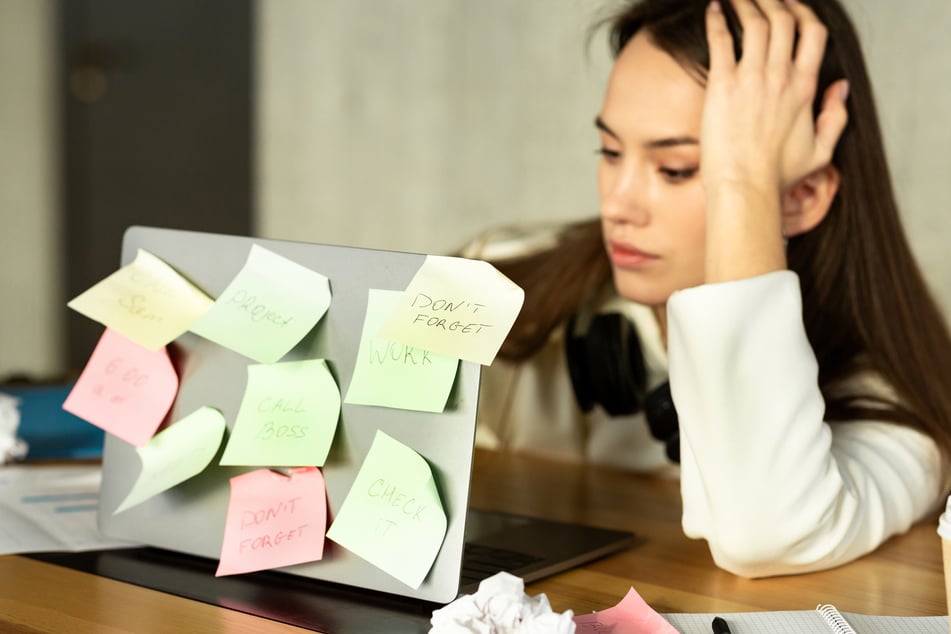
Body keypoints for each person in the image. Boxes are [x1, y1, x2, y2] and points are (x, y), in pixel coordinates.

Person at [462, 0, 951, 578]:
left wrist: (743, 184)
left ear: (801, 196)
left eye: (677, 168)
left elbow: (763, 534)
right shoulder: (497, 278)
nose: (618, 204)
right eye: (610, 152)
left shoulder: (897, 413)